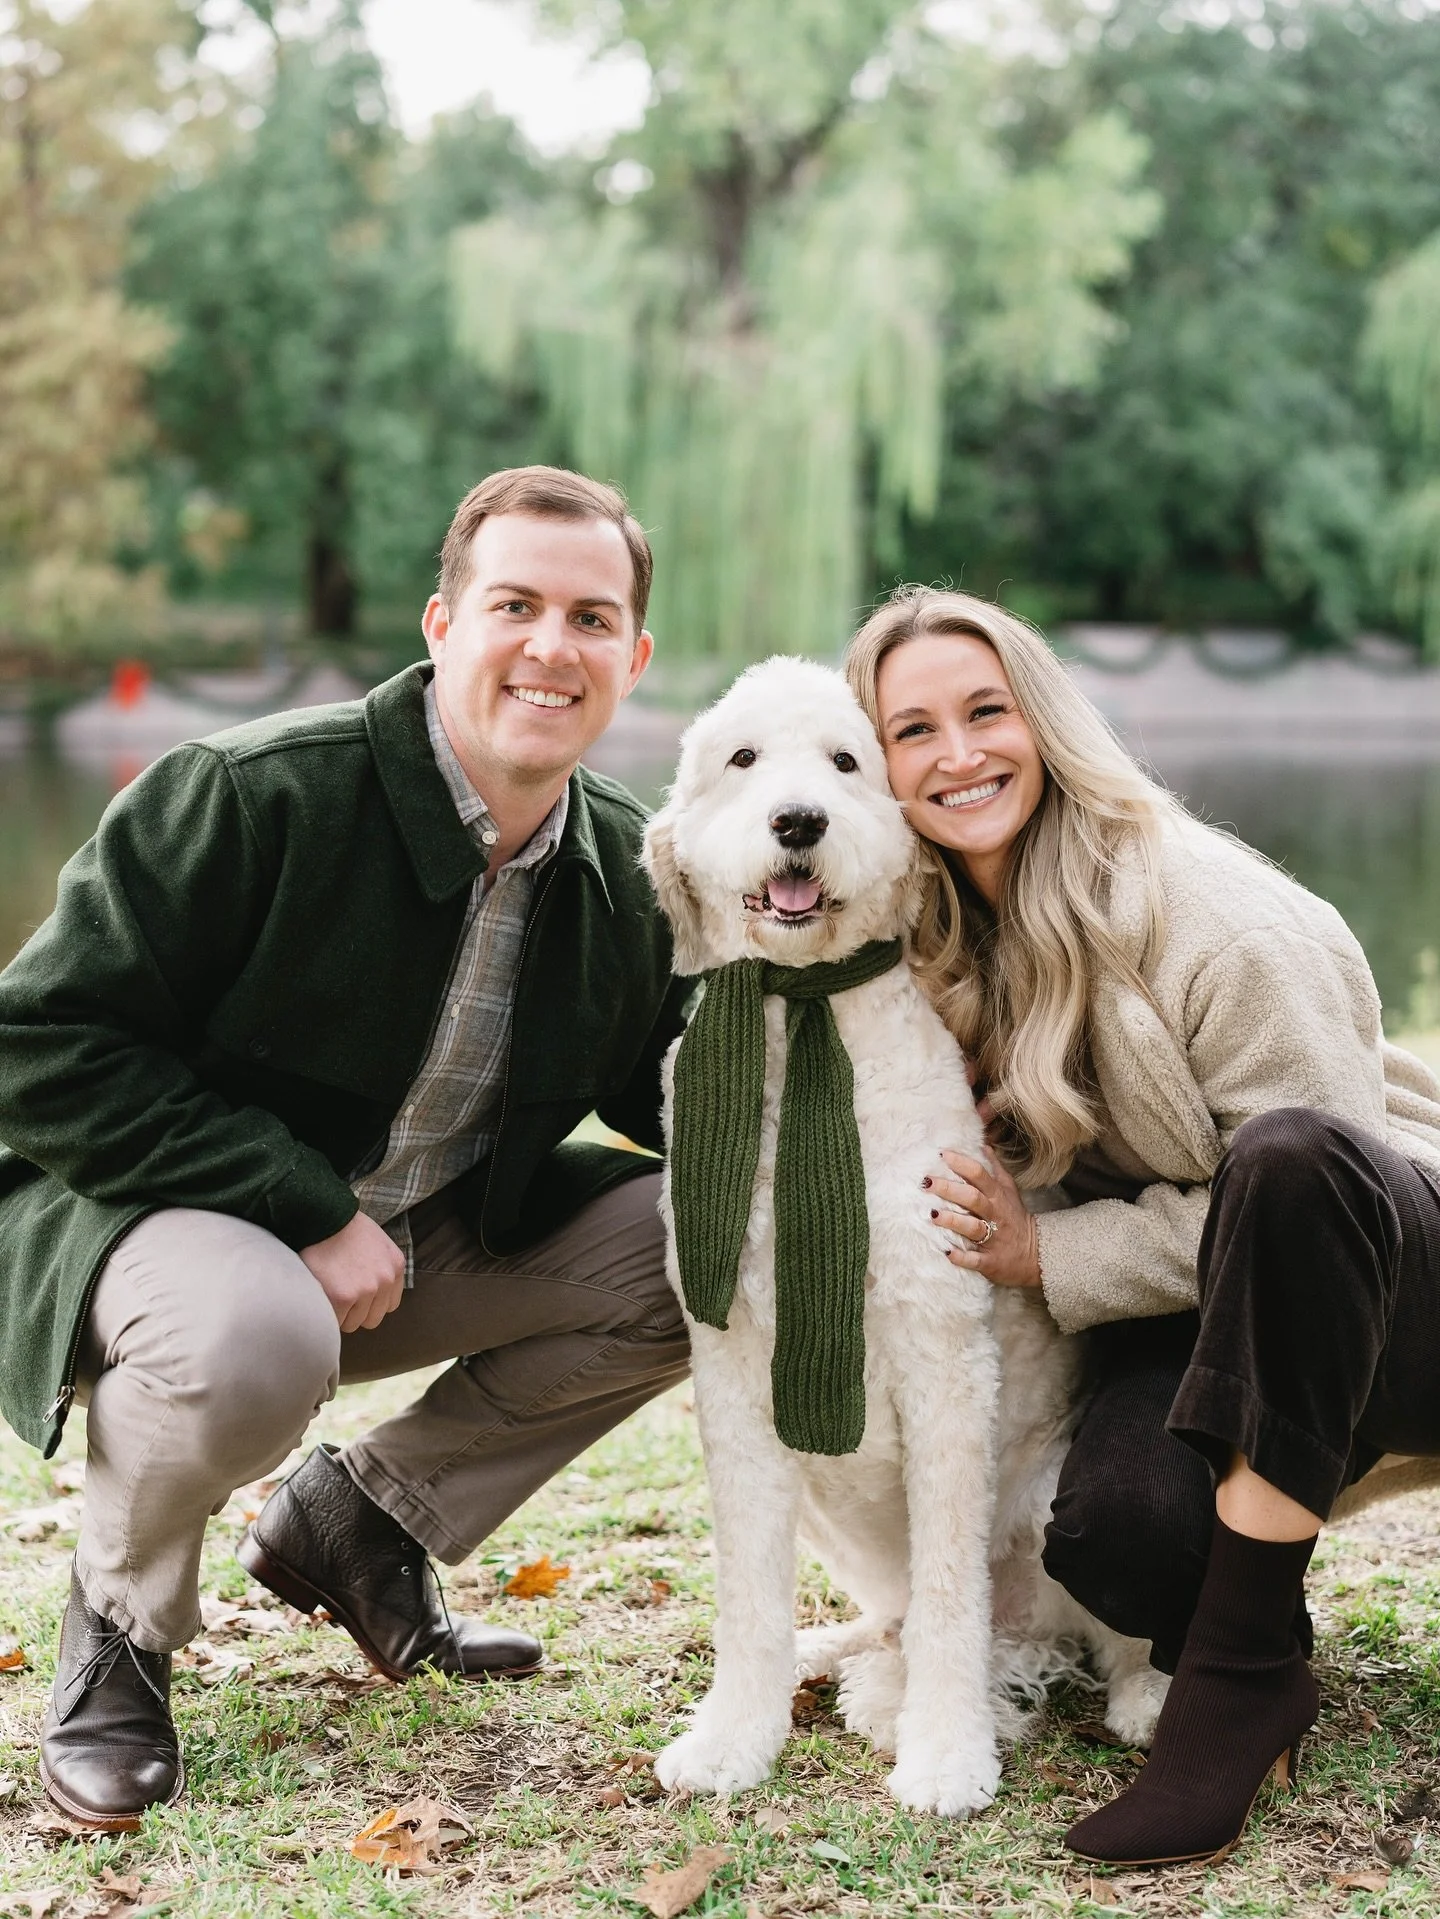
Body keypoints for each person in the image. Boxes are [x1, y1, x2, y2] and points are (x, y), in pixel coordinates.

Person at [0, 466, 692, 1831]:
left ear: (634, 654)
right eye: (516, 605)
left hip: (406, 1242)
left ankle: (360, 1522)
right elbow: (35, 1041)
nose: (552, 647)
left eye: (591, 617)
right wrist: (300, 1203)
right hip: (140, 1235)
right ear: (441, 622)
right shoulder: (254, 795)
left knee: (714, 1245)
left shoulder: (632, 867)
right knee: (256, 1333)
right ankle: (120, 1625)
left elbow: (682, 1088)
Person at [843, 584, 1440, 1867]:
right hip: (1203, 1302)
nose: (958, 754)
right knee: (1119, 1537)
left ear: (1047, 719)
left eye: (987, 711)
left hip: (1393, 1276)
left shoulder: (1208, 908)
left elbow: (1323, 1197)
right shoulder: (952, 933)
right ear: (877, 763)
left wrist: (1048, 1253)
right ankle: (1228, 1610)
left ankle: (1242, 1676)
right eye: (913, 730)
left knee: (1284, 1158)